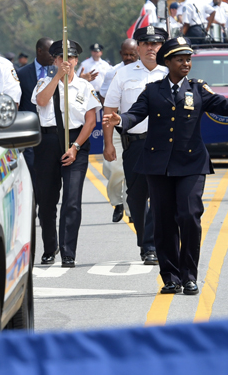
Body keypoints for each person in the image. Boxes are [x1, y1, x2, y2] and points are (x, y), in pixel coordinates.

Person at [104, 37, 228, 294]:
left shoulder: (199, 89)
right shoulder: (153, 90)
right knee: (163, 221)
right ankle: (170, 277)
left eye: (188, 59)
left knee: (189, 216)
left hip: (191, 163)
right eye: (180, 59)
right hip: (158, 165)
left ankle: (189, 275)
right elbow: (135, 114)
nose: (186, 63)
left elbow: (227, 107)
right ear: (167, 62)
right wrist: (119, 120)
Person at [102, 25, 168, 263]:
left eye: (156, 44)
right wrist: (109, 143)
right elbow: (109, 110)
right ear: (138, 47)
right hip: (135, 144)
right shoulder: (124, 74)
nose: (151, 48)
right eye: (146, 44)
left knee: (161, 196)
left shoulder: (170, 73)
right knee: (136, 198)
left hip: (164, 145)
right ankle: (145, 239)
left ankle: (152, 246)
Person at [32, 39, 100, 268]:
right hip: (49, 143)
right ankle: (50, 247)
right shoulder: (44, 82)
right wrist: (57, 77)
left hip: (76, 143)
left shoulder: (84, 86)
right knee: (47, 201)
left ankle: (69, 251)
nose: (67, 62)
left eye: (70, 58)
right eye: (62, 58)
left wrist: (75, 147)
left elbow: (91, 121)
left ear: (76, 60)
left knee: (72, 201)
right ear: (55, 60)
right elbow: (41, 101)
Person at [100, 38, 139, 223]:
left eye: (132, 54)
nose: (129, 57)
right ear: (120, 53)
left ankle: (132, 210)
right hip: (116, 125)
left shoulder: (144, 71)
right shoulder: (112, 72)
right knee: (115, 169)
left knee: (133, 171)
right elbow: (104, 97)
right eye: (126, 54)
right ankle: (117, 202)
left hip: (136, 126)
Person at [17, 37, 54, 185]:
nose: (53, 56)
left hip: (51, 132)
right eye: (50, 52)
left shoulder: (57, 73)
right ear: (39, 51)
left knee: (49, 173)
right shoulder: (22, 74)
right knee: (32, 169)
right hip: (30, 133)